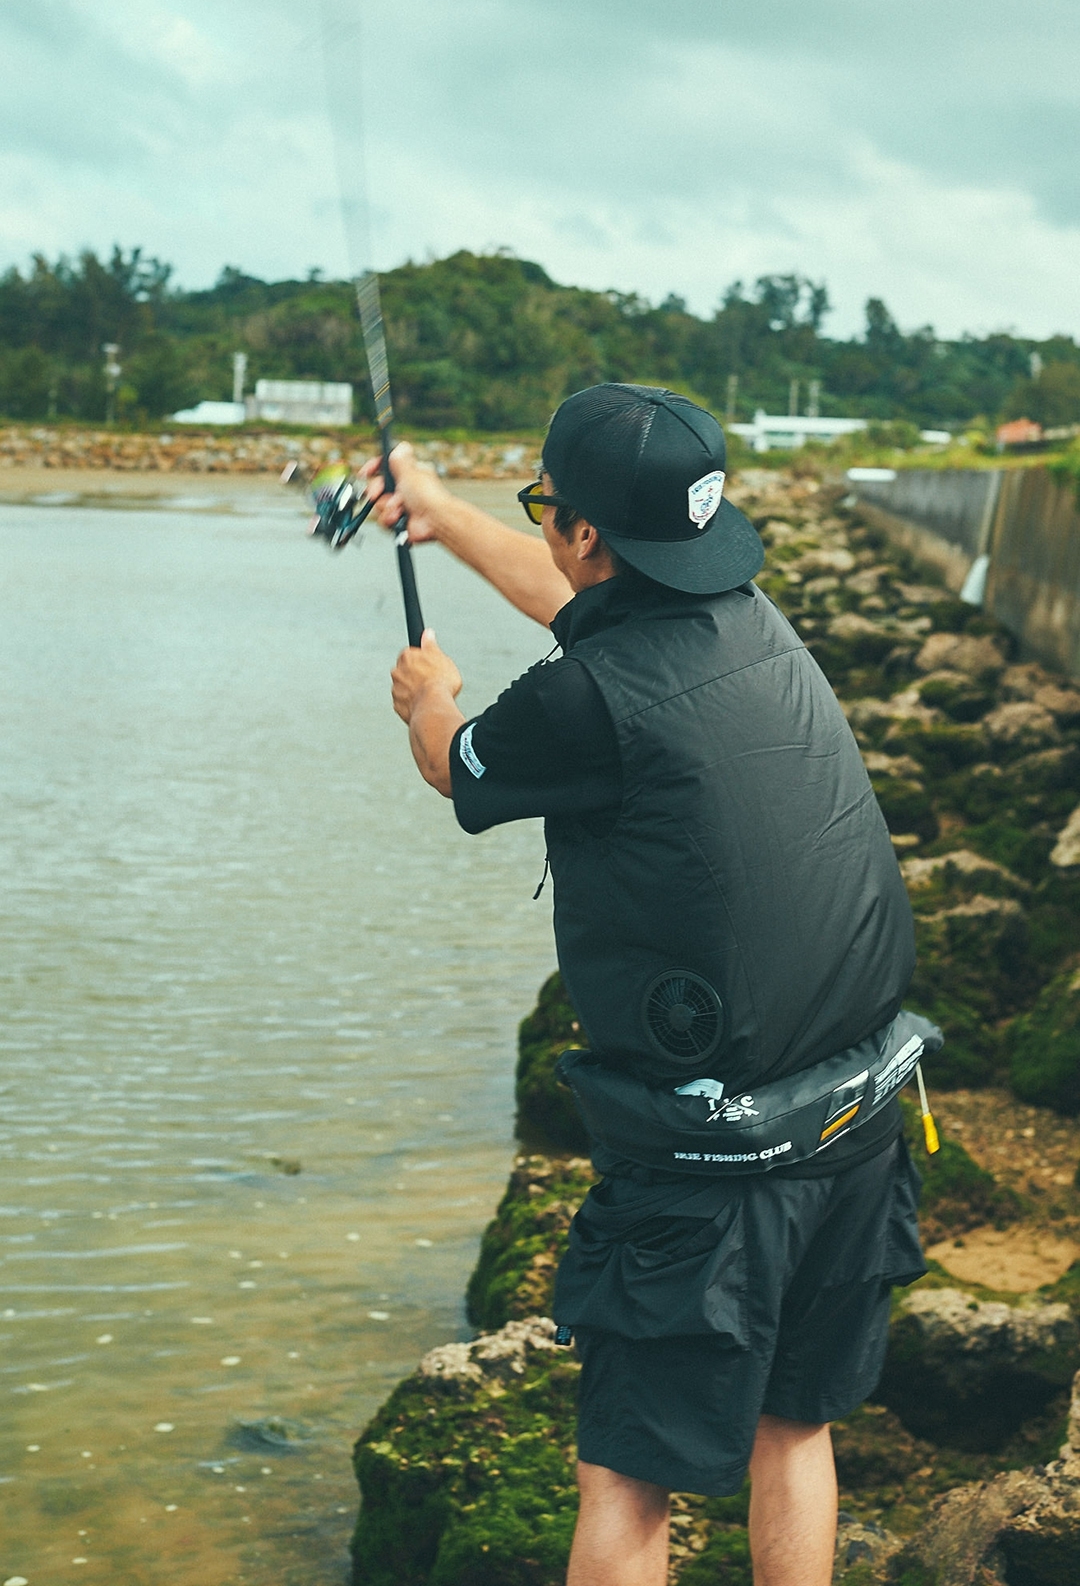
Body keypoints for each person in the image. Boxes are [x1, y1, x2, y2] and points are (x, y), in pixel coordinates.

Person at [366, 384, 925, 1586]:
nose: (552, 536)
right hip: (858, 1118)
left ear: (581, 530)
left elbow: (455, 769)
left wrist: (433, 698)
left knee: (627, 1472)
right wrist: (441, 513)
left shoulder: (582, 699)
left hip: (718, 1168)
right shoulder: (748, 613)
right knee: (794, 1422)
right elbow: (572, 588)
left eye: (548, 511)